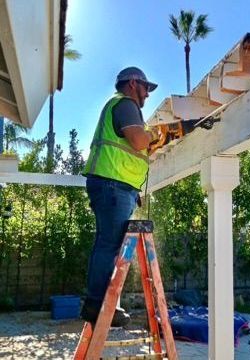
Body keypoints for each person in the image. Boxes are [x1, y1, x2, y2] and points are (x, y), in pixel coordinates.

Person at [81, 67, 159, 326]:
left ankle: (100, 303)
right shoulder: (125, 103)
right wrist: (155, 134)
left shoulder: (123, 107)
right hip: (112, 185)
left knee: (108, 244)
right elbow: (138, 141)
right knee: (109, 245)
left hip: (116, 186)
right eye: (146, 88)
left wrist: (131, 190)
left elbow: (126, 151)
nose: (147, 94)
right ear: (133, 84)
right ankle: (97, 305)